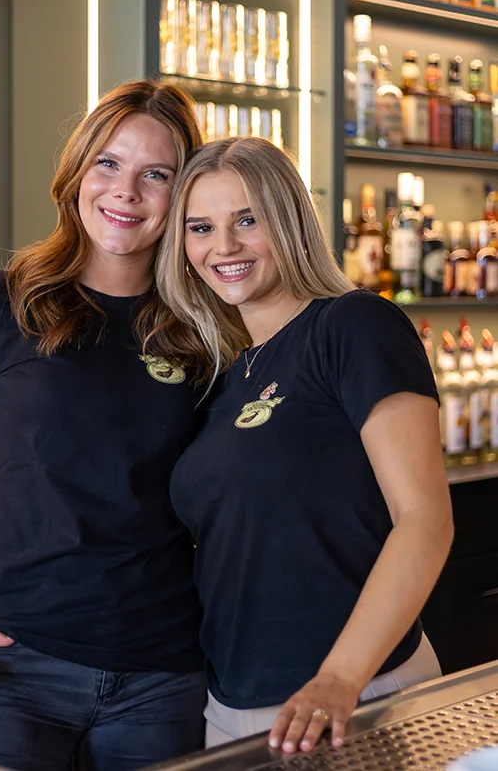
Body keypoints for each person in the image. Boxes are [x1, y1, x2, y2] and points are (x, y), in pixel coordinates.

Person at [0, 80, 208, 771]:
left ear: (184, 196)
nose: (126, 192)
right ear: (78, 172)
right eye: (108, 164)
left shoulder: (205, 330)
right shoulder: (5, 303)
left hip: (163, 674)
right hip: (5, 666)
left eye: (157, 174)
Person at [151, 137, 454, 755]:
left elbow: (424, 520)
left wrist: (339, 680)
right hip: (233, 707)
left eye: (247, 219)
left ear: (288, 222)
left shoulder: (354, 325)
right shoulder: (225, 378)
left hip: (355, 697)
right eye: (201, 227)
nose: (224, 247)